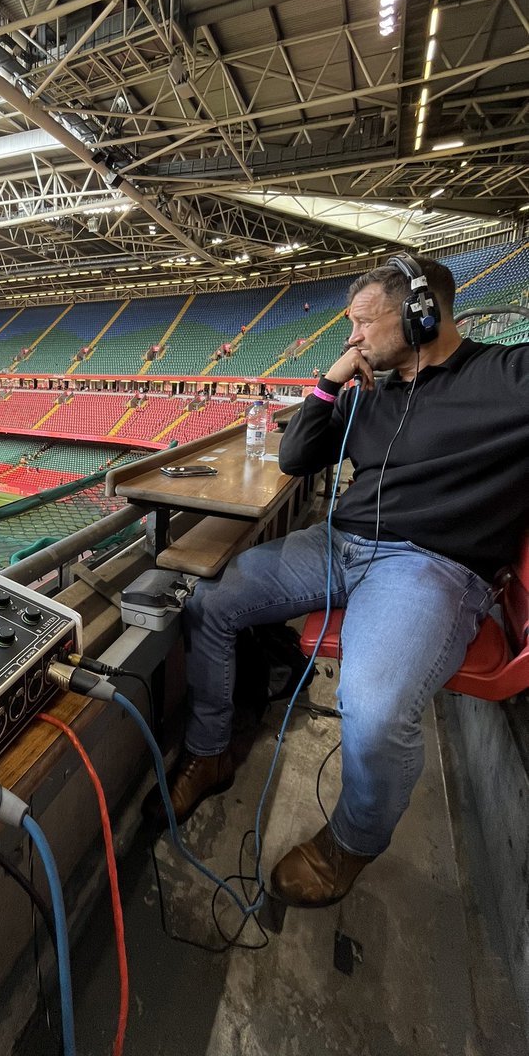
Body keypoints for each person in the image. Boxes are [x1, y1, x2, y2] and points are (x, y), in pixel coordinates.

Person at [152, 256, 529, 908]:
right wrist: (329, 382)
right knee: (210, 600)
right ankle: (209, 751)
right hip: (338, 545)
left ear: (420, 315)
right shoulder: (370, 394)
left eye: (363, 323)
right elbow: (296, 455)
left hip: (429, 567)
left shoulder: (505, 376)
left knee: (374, 711)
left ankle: (352, 841)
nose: (352, 337)